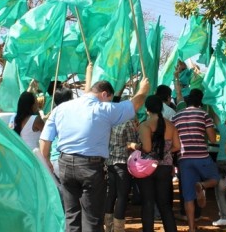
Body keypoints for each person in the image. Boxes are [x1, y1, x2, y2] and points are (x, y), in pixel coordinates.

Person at [39, 77, 149, 232]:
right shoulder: (103, 109)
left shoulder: (61, 108)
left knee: (71, 215)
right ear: (104, 94)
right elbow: (134, 105)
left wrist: (46, 161)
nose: (110, 103)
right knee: (92, 218)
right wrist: (143, 89)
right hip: (91, 167)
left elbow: (45, 139)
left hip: (65, 165)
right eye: (109, 100)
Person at [172, 88, 219, 232]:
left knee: (188, 197)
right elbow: (212, 139)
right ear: (201, 102)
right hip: (202, 156)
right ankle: (203, 185)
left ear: (186, 102)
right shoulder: (204, 114)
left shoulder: (176, 117)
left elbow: (174, 140)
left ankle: (192, 228)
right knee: (216, 179)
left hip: (184, 158)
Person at [137, 95, 181, 232]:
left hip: (147, 168)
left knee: (148, 204)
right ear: (161, 108)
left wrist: (133, 145)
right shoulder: (170, 125)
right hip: (165, 168)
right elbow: (177, 146)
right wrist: (166, 152)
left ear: (147, 109)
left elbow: (147, 148)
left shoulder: (145, 125)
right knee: (165, 205)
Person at [104, 117, 140, 232]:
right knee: (122, 196)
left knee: (111, 194)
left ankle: (108, 226)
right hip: (123, 162)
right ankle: (118, 228)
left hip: (110, 162)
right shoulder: (128, 122)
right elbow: (130, 144)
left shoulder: (110, 121)